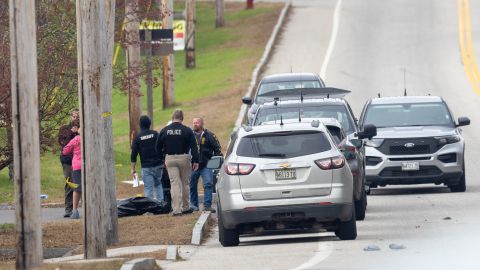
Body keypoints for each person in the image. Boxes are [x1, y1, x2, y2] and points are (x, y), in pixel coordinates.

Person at [156, 109, 199, 216]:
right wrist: (196, 160)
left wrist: (162, 158)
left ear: (172, 117)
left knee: (174, 183)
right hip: (184, 158)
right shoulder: (187, 130)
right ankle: (186, 207)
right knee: (185, 183)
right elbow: (194, 147)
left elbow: (157, 147)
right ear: (182, 118)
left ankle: (176, 209)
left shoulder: (164, 130)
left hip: (169, 159)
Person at [190, 117, 222, 213]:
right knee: (192, 185)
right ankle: (194, 206)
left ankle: (207, 205)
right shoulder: (189, 135)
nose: (195, 124)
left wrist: (216, 162)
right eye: (194, 122)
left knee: (208, 184)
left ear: (202, 124)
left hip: (206, 165)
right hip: (193, 165)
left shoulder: (209, 135)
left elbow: (217, 149)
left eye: (197, 122)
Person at [131, 115, 164, 202]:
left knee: (148, 188)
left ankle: (149, 207)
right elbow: (162, 148)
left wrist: (132, 169)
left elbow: (133, 154)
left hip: (146, 167)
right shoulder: (156, 134)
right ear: (149, 124)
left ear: (140, 125)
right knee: (158, 184)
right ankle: (161, 204)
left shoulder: (137, 138)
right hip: (158, 164)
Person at [57, 109, 80, 218]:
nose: (76, 118)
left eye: (78, 116)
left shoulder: (83, 128)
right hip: (68, 160)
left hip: (80, 160)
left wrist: (78, 132)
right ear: (71, 117)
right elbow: (62, 143)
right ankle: (68, 208)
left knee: (83, 183)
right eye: (74, 116)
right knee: (69, 182)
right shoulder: (64, 129)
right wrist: (72, 132)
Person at [62, 121, 82, 219]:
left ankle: (74, 210)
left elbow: (65, 150)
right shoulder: (89, 139)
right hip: (88, 166)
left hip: (77, 166)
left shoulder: (76, 139)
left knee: (77, 189)